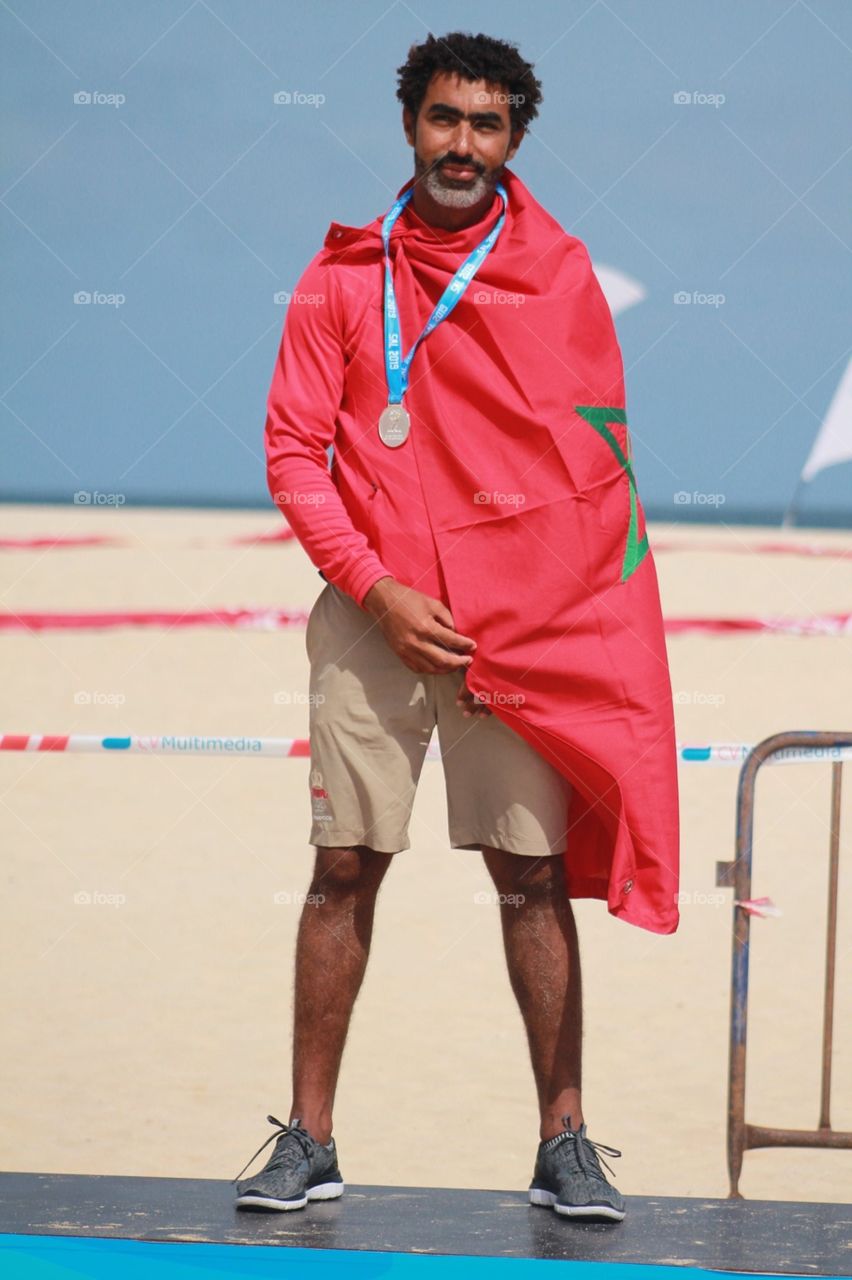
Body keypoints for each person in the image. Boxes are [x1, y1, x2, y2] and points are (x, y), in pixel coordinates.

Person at [233, 29, 680, 1223]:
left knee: (532, 879)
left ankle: (565, 1142)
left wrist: (548, 608)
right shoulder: (342, 278)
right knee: (340, 872)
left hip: (511, 633)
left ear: (516, 139)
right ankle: (309, 1136)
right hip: (373, 614)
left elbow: (595, 468)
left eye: (487, 124)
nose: (463, 144)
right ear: (410, 125)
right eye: (445, 119)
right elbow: (293, 451)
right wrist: (378, 587)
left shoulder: (560, 274)